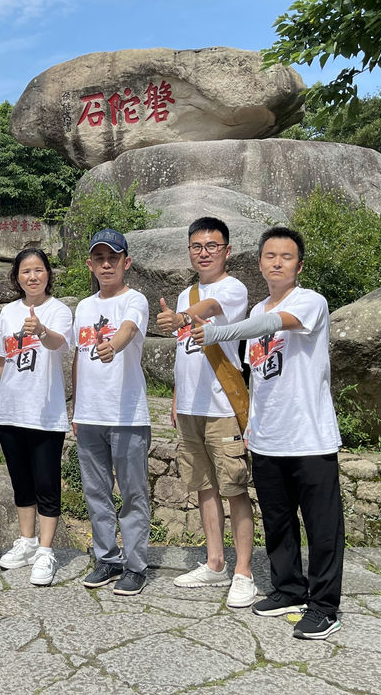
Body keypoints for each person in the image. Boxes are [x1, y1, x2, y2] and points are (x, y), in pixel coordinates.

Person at [194, 226, 345, 640]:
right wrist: (253, 428)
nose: (277, 262)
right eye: (270, 256)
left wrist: (217, 332)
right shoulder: (258, 307)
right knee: (278, 522)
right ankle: (289, 589)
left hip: (309, 436)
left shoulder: (310, 302)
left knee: (322, 527)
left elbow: (278, 322)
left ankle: (324, 607)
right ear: (260, 262)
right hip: (267, 438)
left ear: (299, 265)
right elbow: (257, 378)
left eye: (287, 256)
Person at [156, 217, 255, 607]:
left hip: (221, 405)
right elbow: (185, 353)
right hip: (190, 406)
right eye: (197, 246)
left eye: (212, 246)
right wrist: (177, 398)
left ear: (227, 251)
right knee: (204, 486)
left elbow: (211, 309)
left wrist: (183, 316)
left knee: (234, 488)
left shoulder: (233, 288)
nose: (204, 252)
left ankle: (243, 572)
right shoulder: (185, 293)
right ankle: (215, 563)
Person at [73, 229, 151, 596]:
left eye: (113, 258)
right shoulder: (83, 307)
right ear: (90, 264)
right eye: (100, 258)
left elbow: (128, 329)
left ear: (126, 262)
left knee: (133, 493)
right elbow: (78, 356)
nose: (106, 265)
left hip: (127, 415)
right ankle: (107, 558)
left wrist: (113, 347)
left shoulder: (135, 299)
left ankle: (136, 566)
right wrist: (76, 407)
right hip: (90, 415)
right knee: (96, 492)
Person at [0, 248, 75, 586]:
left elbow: (59, 344)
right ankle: (26, 542)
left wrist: (40, 329)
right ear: (17, 277)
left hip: (44, 412)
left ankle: (45, 549)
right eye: (26, 271)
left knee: (46, 482)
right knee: (21, 482)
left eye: (39, 270)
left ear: (48, 274)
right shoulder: (8, 312)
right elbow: (0, 358)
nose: (33, 276)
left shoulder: (59, 310)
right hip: (11, 409)